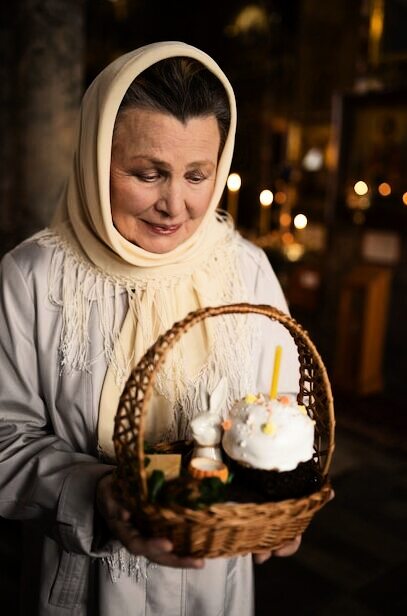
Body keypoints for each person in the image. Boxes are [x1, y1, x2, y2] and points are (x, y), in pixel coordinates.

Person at [0, 41, 301, 616]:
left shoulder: (244, 268)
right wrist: (99, 495)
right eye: (147, 173)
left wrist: (279, 487)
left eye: (197, 175)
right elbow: (4, 435)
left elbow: (280, 401)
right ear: (94, 156)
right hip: (85, 586)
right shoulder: (31, 278)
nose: (176, 204)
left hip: (217, 584)